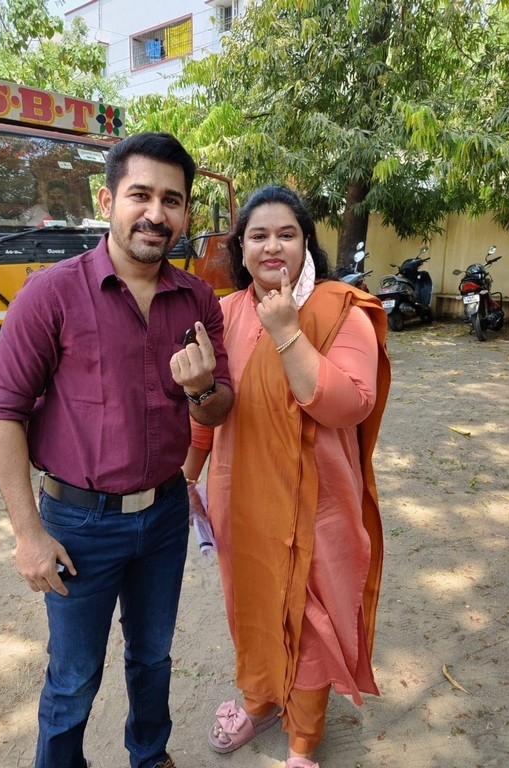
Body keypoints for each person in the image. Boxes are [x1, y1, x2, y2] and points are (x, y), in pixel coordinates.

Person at [0, 131, 234, 768]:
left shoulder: (198, 300)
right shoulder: (51, 294)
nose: (156, 213)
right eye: (140, 195)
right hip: (78, 523)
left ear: (185, 213)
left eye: (172, 200)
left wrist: (202, 389)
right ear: (108, 199)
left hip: (165, 513)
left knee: (152, 657)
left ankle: (149, 757)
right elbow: (2, 411)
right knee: (73, 678)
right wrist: (28, 534)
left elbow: (221, 406)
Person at [182, 185, 391, 768]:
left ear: (307, 245)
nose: (272, 246)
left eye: (286, 234)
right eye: (258, 235)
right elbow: (210, 408)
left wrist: (287, 332)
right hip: (239, 498)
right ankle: (258, 700)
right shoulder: (221, 315)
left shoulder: (340, 307)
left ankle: (303, 740)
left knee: (311, 618)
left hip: (314, 504)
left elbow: (349, 404)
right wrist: (189, 474)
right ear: (240, 249)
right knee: (247, 603)